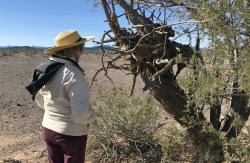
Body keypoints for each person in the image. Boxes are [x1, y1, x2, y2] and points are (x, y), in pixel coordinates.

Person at [26, 30, 96, 163]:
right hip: (71, 135)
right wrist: (93, 116)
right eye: (81, 48)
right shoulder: (73, 74)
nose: (82, 53)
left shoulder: (46, 68)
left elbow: (39, 99)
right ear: (74, 49)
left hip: (48, 128)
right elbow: (81, 114)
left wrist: (53, 113)